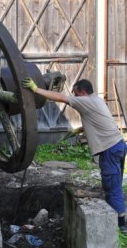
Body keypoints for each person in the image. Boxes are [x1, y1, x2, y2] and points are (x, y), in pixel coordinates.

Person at [22, 77, 127, 232]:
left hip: (110, 149)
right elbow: (95, 121)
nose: (75, 97)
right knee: (114, 182)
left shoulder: (84, 101)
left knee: (113, 187)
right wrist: (77, 130)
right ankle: (116, 214)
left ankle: (121, 225)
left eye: (76, 94)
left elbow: (61, 98)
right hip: (118, 145)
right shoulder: (96, 100)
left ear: (83, 92)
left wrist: (35, 89)